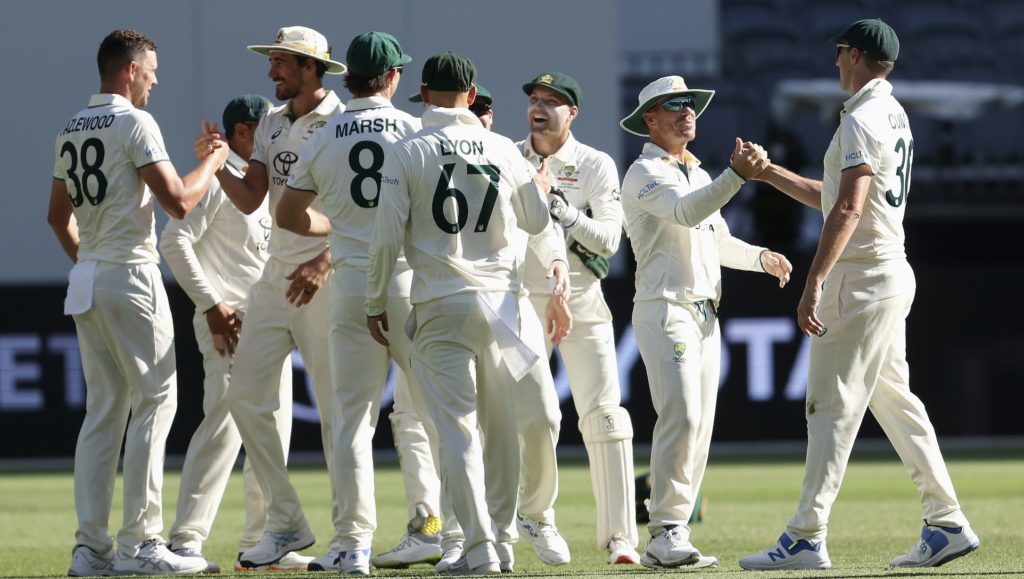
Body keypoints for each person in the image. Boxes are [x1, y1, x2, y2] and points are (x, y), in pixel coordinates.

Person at [739, 19, 979, 571]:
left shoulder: (861, 119)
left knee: (830, 408)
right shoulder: (890, 113)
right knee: (895, 402)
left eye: (839, 52)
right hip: (888, 271)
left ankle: (805, 536)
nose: (835, 61)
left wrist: (815, 280)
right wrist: (769, 172)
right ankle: (946, 522)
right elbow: (837, 196)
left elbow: (846, 210)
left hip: (861, 277)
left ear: (853, 55)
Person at [365, 51, 570, 576]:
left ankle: (478, 547)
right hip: (503, 304)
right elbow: (534, 217)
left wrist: (373, 302)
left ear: (426, 95)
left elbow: (385, 238)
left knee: (456, 431)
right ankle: (499, 542)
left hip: (440, 301)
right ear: (473, 95)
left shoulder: (406, 148)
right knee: (502, 430)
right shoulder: (502, 147)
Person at [49, 29, 228, 577]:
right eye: (150, 70)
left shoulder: (70, 128)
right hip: (129, 274)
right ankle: (143, 543)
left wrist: (91, 263)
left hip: (89, 275)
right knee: (157, 402)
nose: (154, 79)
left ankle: (90, 549)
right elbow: (177, 201)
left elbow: (58, 217)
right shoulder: (134, 121)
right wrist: (214, 165)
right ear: (129, 70)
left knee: (103, 413)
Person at [618, 75, 792, 570]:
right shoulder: (643, 173)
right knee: (683, 417)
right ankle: (665, 528)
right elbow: (685, 212)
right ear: (649, 119)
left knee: (700, 428)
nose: (687, 112)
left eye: (691, 105)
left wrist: (762, 257)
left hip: (705, 315)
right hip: (665, 309)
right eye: (674, 106)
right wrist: (735, 176)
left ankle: (674, 531)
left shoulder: (696, 172)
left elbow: (716, 239)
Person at [274, 31, 424, 575]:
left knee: (351, 421)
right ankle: (454, 536)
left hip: (352, 284)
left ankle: (352, 543)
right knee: (437, 414)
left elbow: (287, 216)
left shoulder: (325, 133)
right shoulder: (414, 129)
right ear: (391, 79)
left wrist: (337, 227)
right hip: (408, 283)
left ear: (347, 77)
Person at [203, 26, 346, 569]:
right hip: (273, 280)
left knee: (338, 416)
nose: (271, 73)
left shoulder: (342, 121)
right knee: (242, 396)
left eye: (280, 63)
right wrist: (219, 166)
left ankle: (349, 536)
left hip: (325, 282)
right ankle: (285, 521)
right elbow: (251, 199)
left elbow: (367, 211)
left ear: (310, 67)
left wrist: (325, 259)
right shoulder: (269, 122)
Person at [158, 95, 311, 573]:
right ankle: (185, 540)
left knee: (274, 430)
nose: (273, 133)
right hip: (228, 321)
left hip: (267, 319)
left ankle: (264, 544)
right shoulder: (220, 178)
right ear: (244, 132)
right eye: (265, 125)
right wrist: (212, 305)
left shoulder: (261, 183)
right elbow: (173, 240)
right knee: (223, 426)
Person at [515, 71, 639, 566]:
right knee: (524, 414)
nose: (538, 108)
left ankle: (621, 539)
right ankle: (532, 517)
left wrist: (561, 210)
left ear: (573, 113)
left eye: (551, 101)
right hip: (521, 299)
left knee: (606, 415)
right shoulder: (508, 156)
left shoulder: (595, 165)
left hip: (582, 296)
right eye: (534, 100)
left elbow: (609, 241)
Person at [410, 83, 493, 129]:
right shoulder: (414, 148)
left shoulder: (503, 150)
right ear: (426, 106)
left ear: (490, 115)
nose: (467, 116)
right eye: (443, 107)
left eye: (477, 109)